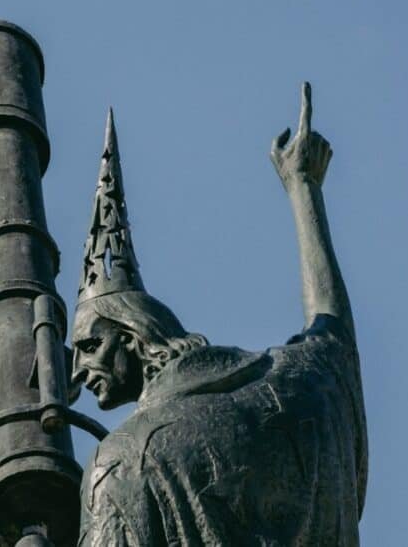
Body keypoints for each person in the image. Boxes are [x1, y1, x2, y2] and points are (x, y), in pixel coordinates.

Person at [72, 85, 367, 546]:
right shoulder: (295, 383)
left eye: (90, 345)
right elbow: (333, 332)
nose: (77, 369)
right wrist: (304, 188)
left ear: (133, 335)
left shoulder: (122, 460)